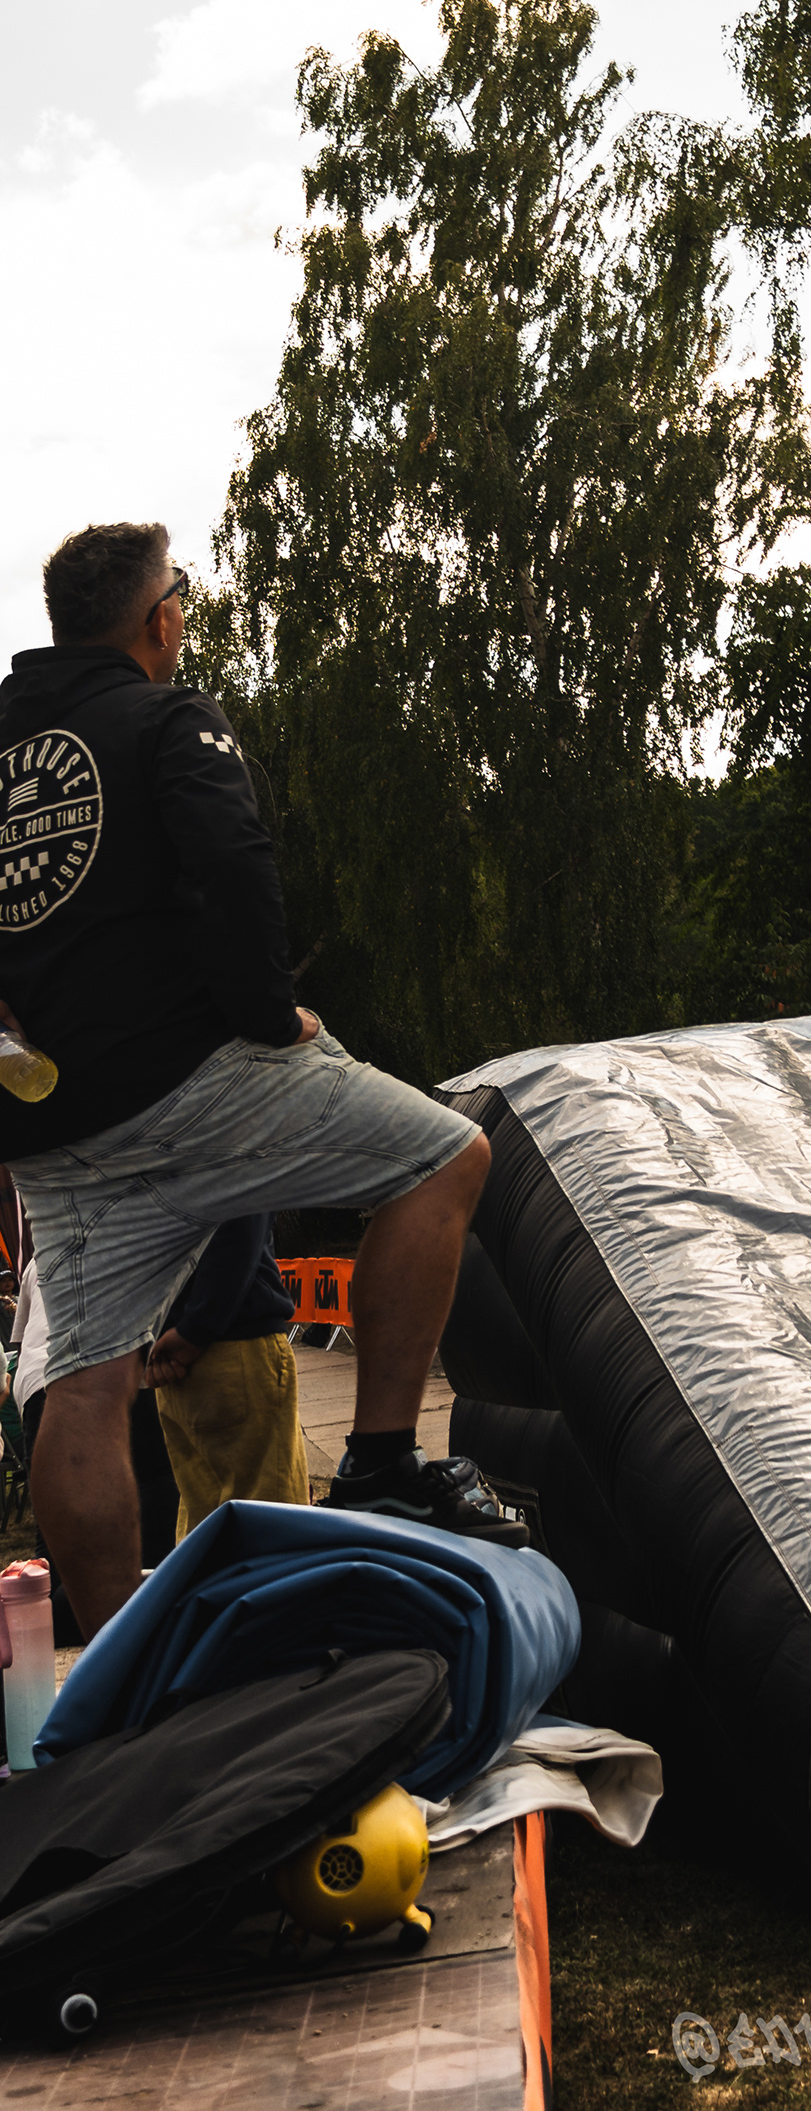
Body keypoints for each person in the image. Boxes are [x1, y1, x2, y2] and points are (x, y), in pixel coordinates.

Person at [0, 520, 525, 1635]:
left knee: (84, 1381)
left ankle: (117, 1677)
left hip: (52, 1124)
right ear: (160, 618)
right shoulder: (165, 716)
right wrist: (271, 1017)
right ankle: (382, 1462)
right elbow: (234, 867)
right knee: (445, 1159)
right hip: (192, 1080)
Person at [145, 1214, 309, 1537]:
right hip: (233, 1346)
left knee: (204, 1535)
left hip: (174, 1357)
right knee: (273, 1532)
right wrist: (196, 1327)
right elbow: (242, 1212)